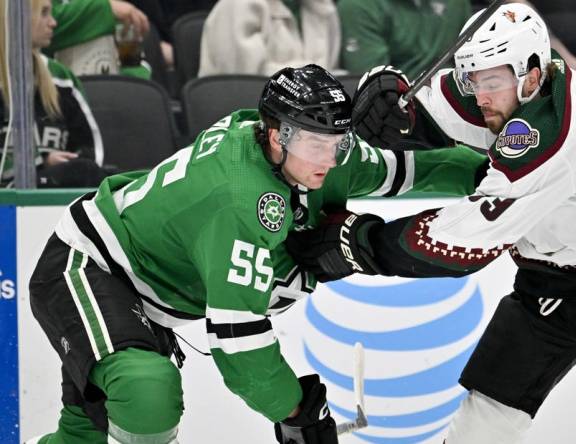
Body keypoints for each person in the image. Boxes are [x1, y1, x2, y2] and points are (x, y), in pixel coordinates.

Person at [286, 4, 576, 443]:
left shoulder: (554, 134)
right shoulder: (513, 79)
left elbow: (463, 241)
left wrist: (360, 241)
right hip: (553, 282)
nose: (480, 95)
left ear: (530, 74)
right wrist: (391, 94)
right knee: (480, 427)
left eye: (490, 82)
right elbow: (431, 108)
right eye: (474, 78)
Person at [26, 64, 486, 443]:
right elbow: (237, 343)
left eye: (337, 142)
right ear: (275, 135)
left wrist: (506, 170)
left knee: (85, 433)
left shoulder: (315, 152)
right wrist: (297, 410)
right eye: (314, 144)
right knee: (147, 395)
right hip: (89, 265)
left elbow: (410, 171)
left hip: (148, 286)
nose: (328, 158)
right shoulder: (241, 200)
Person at [0, 0, 105, 188]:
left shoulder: (61, 77)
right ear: (16, 18)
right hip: (7, 199)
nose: (53, 22)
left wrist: (68, 164)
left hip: (58, 194)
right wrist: (43, 162)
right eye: (44, 13)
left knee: (85, 171)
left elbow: (90, 150)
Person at [198, 0, 341, 77]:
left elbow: (330, 68)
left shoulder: (323, 7)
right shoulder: (238, 4)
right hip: (245, 117)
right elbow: (244, 79)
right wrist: (313, 74)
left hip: (308, 115)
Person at [337, 0, 471, 80]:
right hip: (400, 109)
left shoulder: (458, 3)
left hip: (460, 95)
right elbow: (373, 85)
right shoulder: (358, 5)